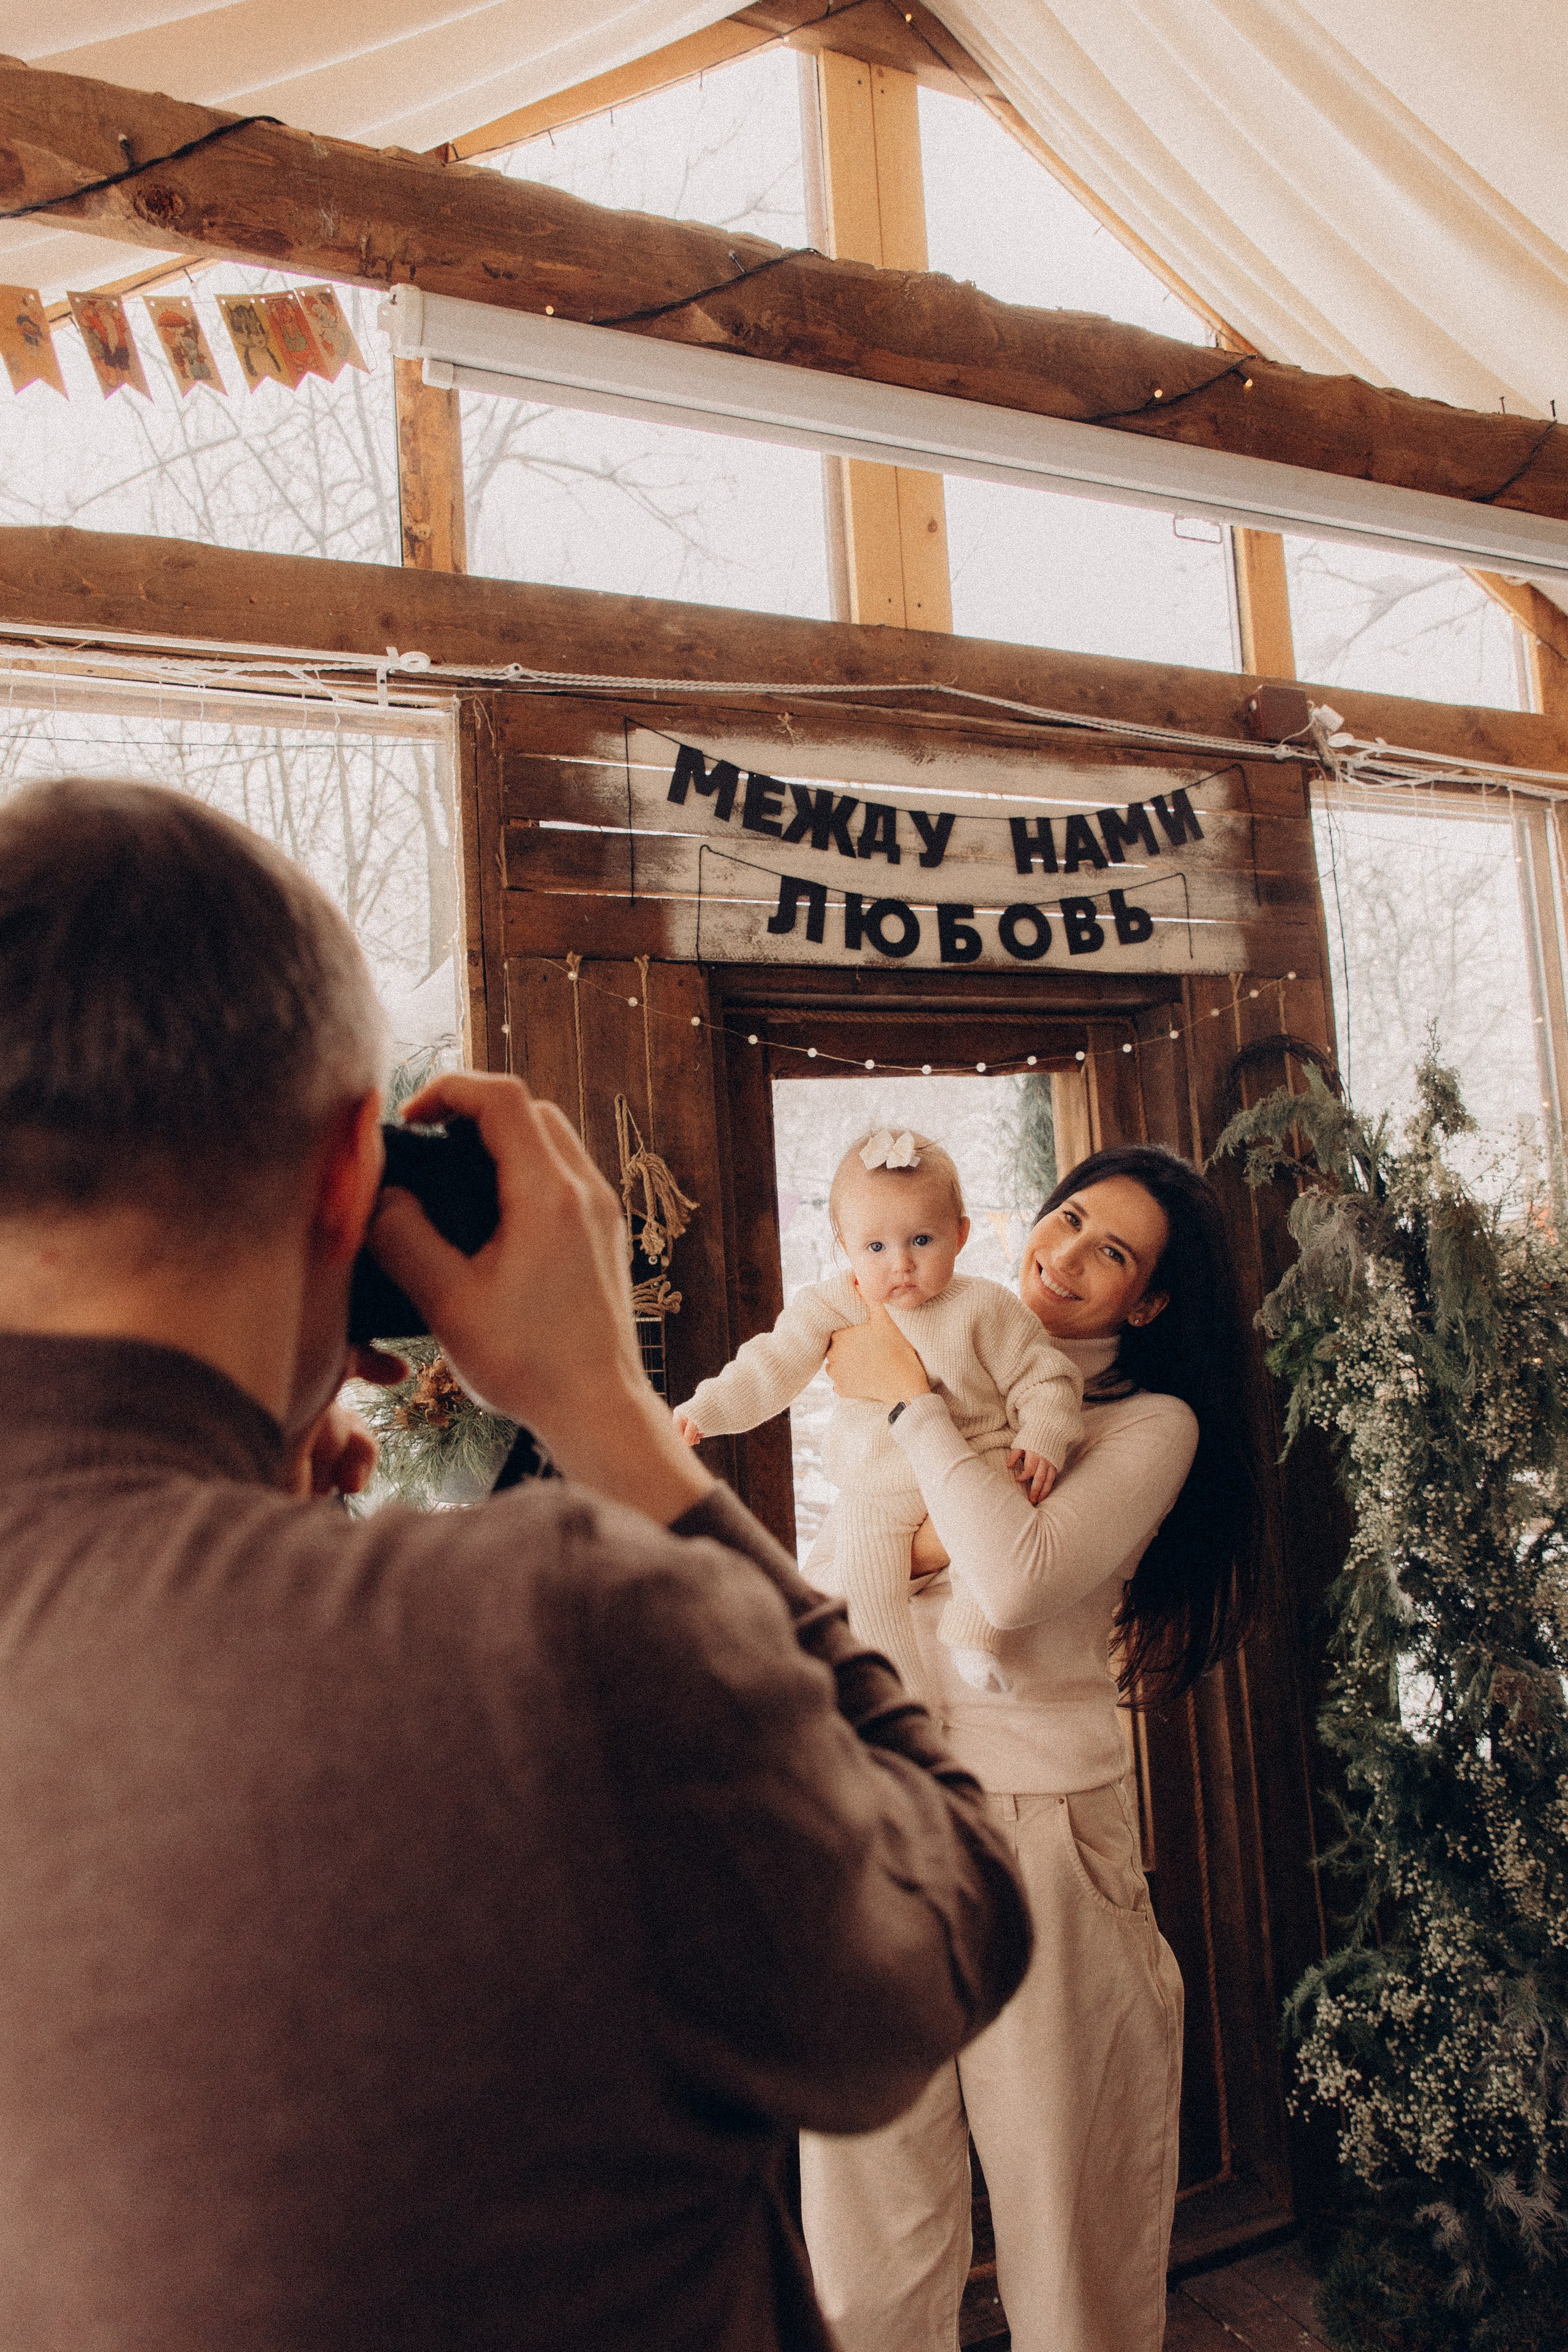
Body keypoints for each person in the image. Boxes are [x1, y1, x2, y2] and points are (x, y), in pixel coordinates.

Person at [0, 777, 1033, 2352]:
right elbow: (948, 1921)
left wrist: (230, 1491)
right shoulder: (540, 1638)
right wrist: (605, 1411)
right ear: (349, 1178)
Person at [798, 1147, 1265, 2352]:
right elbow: (832, 1578)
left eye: (1111, 1252)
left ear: (1146, 1303)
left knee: (1070, 2225)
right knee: (865, 2231)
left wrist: (912, 1410)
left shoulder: (1148, 1426)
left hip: (1040, 1830)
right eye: (1066, 1219)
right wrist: (933, 1507)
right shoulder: (938, 1355)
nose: (1063, 1257)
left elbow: (1011, 1584)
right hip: (875, 1815)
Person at [673, 1127, 1081, 1696]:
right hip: (878, 1481)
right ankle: (903, 1693)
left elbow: (1045, 1376)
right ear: (845, 1247)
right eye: (876, 1248)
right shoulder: (833, 1303)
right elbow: (773, 1364)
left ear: (961, 1235)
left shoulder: (987, 1307)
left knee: (1000, 1517)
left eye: (922, 1240)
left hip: (975, 1457)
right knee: (867, 1586)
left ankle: (972, 1636)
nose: (901, 1265)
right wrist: (708, 1409)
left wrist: (1042, 1432)